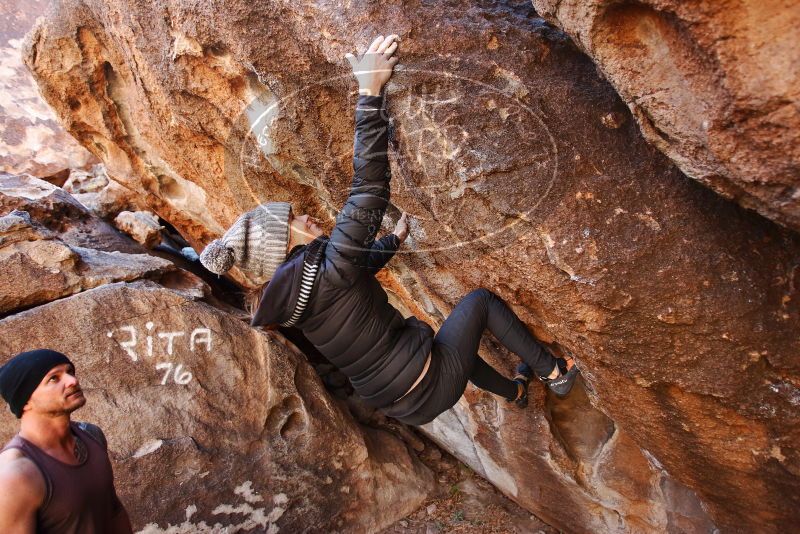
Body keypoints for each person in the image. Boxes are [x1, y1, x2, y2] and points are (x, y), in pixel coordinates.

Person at [199, 34, 579, 426]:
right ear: (282, 244)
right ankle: (555, 373)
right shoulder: (327, 267)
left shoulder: (295, 298)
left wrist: (393, 240)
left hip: (405, 405)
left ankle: (515, 393)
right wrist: (369, 89)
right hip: (430, 381)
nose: (307, 218)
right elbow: (368, 187)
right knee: (479, 303)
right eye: (295, 220)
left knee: (448, 347)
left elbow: (355, 276)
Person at [0, 349, 133, 534]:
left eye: (69, 371)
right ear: (25, 401)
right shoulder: (15, 474)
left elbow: (114, 513)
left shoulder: (92, 436)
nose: (73, 380)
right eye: (54, 378)